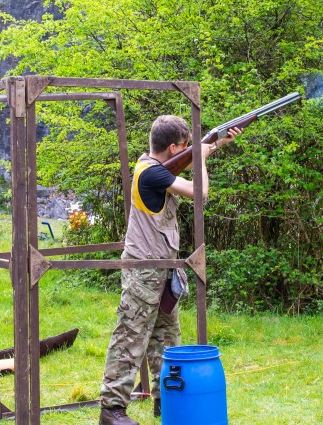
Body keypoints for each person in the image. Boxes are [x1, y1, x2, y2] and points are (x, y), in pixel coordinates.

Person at [99, 115, 241, 425]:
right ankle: (111, 410)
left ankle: (168, 401)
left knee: (166, 338)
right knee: (130, 337)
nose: (188, 150)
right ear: (174, 146)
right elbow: (199, 192)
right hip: (144, 271)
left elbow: (184, 164)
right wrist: (201, 156)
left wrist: (215, 144)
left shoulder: (155, 167)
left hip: (161, 271)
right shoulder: (150, 174)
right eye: (185, 146)